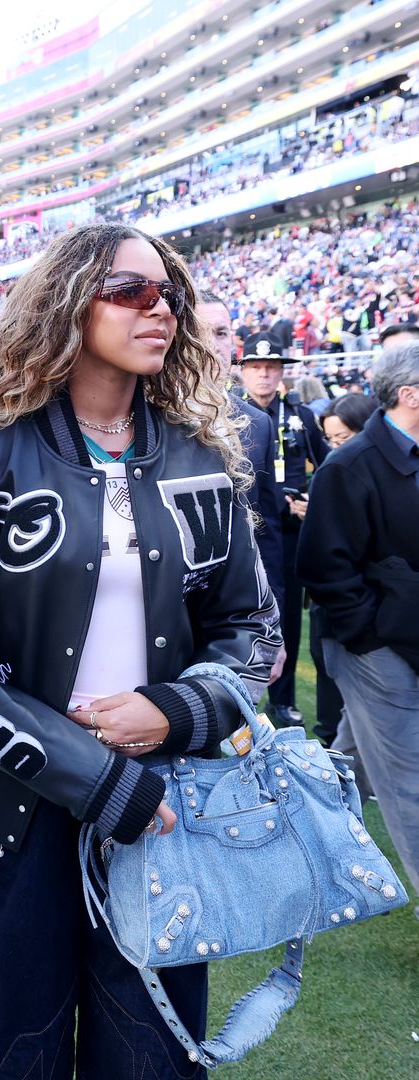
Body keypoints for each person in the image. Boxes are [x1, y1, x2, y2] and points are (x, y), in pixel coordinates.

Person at [0, 223, 280, 1080]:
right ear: (68, 302)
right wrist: (94, 777)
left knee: (154, 1060)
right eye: (132, 292)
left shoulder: (200, 457)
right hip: (14, 816)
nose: (163, 312)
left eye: (170, 295)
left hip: (167, 812)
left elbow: (253, 632)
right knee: (13, 1059)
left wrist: (176, 711)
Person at [296, 342, 419, 910]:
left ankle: (305, 835)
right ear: (410, 396)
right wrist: (370, 636)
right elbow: (323, 566)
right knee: (410, 782)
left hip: (404, 640)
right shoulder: (350, 465)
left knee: (349, 761)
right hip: (375, 650)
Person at [237, 331, 328, 726]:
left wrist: (310, 499)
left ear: (282, 373)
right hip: (243, 530)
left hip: (289, 535)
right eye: (256, 367)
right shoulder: (228, 414)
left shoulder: (301, 416)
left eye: (271, 368)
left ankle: (282, 698)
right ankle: (237, 696)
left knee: (287, 614)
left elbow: (328, 469)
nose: (264, 376)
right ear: (243, 372)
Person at [295, 392, 378, 753]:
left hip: (377, 615)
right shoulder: (332, 474)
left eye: (343, 438)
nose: (335, 447)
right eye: (330, 439)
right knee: (340, 704)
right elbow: (319, 561)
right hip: (339, 616)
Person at [196, 292, 285, 610]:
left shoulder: (258, 423)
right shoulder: (145, 413)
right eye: (198, 331)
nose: (212, 345)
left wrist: (273, 620)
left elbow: (267, 528)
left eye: (220, 333)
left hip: (242, 609)